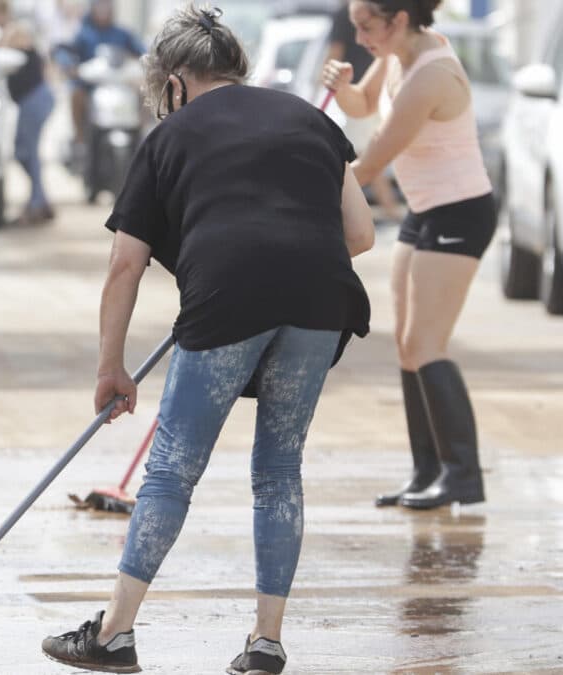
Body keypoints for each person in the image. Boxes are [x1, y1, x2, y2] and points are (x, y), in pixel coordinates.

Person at [41, 5, 373, 674]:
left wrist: (112, 367)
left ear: (175, 81)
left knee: (172, 467)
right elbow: (361, 235)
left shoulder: (167, 137)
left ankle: (113, 633)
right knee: (279, 468)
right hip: (321, 297)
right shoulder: (311, 120)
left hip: (229, 295)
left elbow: (124, 265)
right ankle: (267, 642)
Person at [323, 0, 492, 510]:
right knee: (406, 344)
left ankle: (462, 475)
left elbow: (372, 161)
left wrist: (301, 194)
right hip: (425, 210)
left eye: (367, 27)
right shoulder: (396, 53)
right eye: (355, 27)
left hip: (460, 213)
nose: (360, 37)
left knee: (426, 343)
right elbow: (360, 105)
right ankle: (427, 472)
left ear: (399, 19)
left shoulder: (430, 75)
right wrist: (342, 87)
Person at [326, 0, 403, 223]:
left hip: (353, 90)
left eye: (365, 29)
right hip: (360, 90)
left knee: (362, 155)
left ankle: (387, 208)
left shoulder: (345, 13)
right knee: (361, 153)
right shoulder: (368, 11)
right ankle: (388, 208)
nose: (361, 37)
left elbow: (334, 53)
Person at [0, 0, 56, 224]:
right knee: (21, 152)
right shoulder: (7, 33)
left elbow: (0, 49)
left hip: (36, 98)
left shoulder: (17, 31)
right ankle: (41, 200)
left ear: (0, 13)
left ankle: (36, 205)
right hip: (27, 102)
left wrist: (0, 40)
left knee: (29, 152)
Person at [66, 0, 145, 148]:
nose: (103, 9)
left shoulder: (122, 33)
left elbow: (142, 52)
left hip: (119, 82)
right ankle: (80, 138)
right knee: (76, 93)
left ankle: (141, 132)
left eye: (106, 5)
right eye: (100, 5)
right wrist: (71, 67)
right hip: (91, 83)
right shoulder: (84, 34)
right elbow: (69, 53)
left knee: (146, 91)